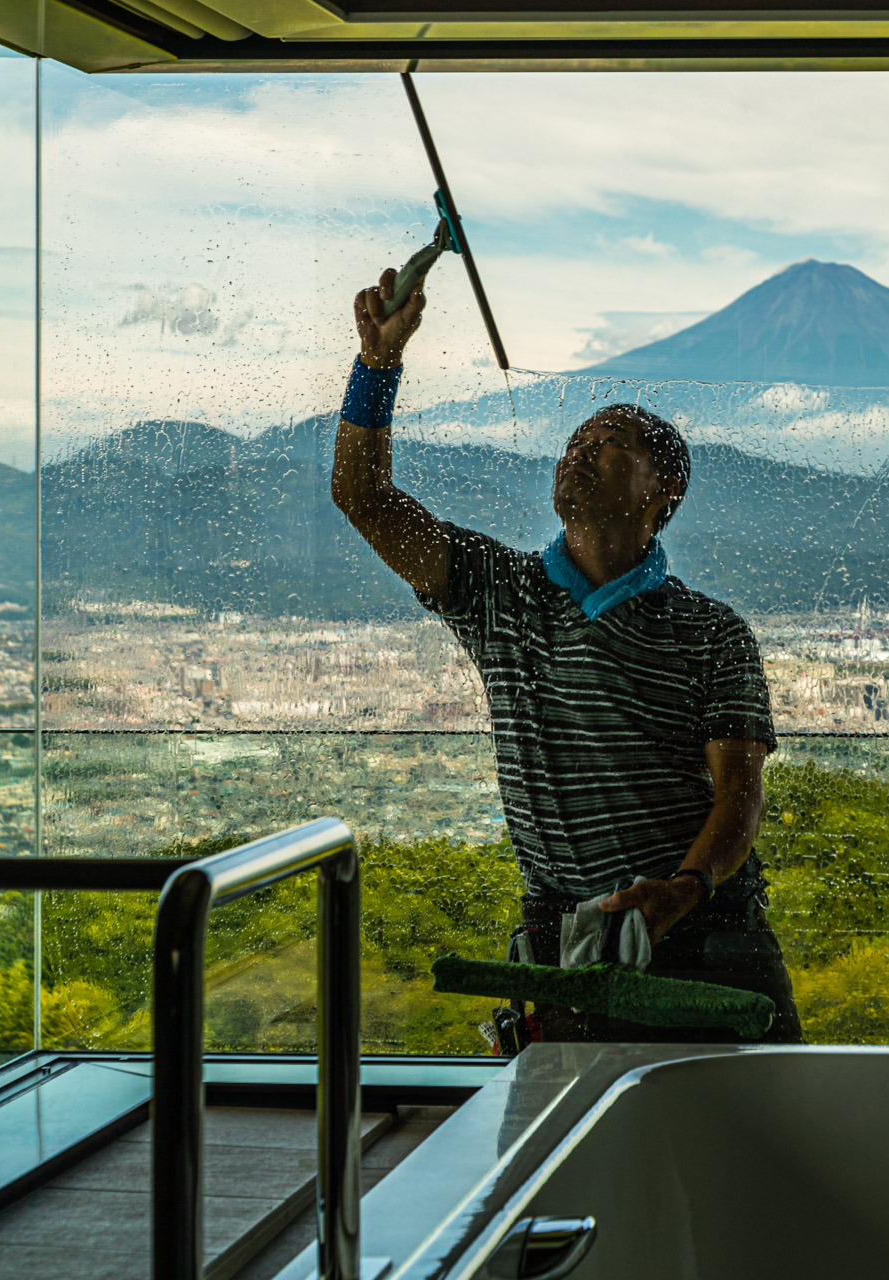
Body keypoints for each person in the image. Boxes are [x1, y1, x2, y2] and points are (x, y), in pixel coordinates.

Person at [329, 268, 801, 1045]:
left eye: (610, 445)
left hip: (705, 940)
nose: (580, 452)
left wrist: (684, 889)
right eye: (576, 440)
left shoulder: (710, 632)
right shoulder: (497, 592)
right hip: (566, 942)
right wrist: (377, 364)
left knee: (759, 1144)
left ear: (662, 499)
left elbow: (739, 794)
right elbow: (364, 497)